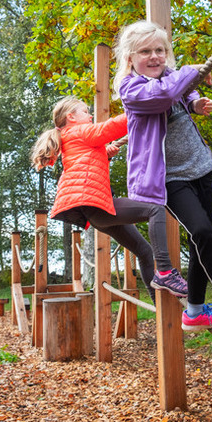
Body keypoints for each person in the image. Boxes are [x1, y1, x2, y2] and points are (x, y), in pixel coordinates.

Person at [113, 20, 212, 337]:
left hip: (202, 167)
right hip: (169, 179)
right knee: (202, 231)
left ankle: (194, 311)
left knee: (204, 238)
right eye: (146, 51)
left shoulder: (172, 78)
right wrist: (192, 72)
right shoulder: (131, 88)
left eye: (160, 50)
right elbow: (162, 96)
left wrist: (195, 101)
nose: (155, 56)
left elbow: (180, 91)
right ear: (130, 58)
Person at [30, 96, 188, 303]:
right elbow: (110, 127)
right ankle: (166, 272)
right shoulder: (80, 131)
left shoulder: (71, 137)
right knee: (155, 209)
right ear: (71, 117)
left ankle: (158, 305)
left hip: (96, 211)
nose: (90, 115)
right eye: (85, 112)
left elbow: (85, 161)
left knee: (144, 251)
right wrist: (141, 108)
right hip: (96, 206)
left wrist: (105, 154)